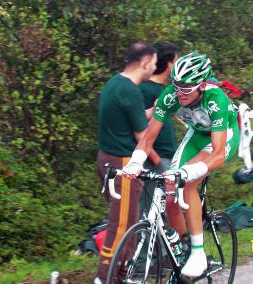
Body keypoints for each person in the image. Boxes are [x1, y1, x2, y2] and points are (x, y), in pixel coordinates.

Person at [123, 52, 240, 277]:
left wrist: (189, 171)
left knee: (186, 184)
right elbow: (147, 139)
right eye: (176, 85)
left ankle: (198, 253)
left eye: (186, 88)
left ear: (203, 85)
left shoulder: (216, 99)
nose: (180, 92)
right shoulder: (171, 95)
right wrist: (135, 163)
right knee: (169, 193)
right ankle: (184, 248)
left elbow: (217, 155)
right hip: (197, 136)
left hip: (223, 137)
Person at [95, 41, 159, 284]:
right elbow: (142, 138)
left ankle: (120, 276)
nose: (154, 67)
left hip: (107, 159)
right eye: (153, 63)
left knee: (130, 221)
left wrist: (155, 110)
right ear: (144, 63)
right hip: (122, 163)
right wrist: (161, 163)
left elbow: (134, 116)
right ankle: (104, 278)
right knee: (121, 225)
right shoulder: (131, 91)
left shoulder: (116, 83)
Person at [139, 41, 178, 213]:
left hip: (167, 158)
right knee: (150, 211)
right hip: (155, 160)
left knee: (162, 211)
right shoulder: (145, 89)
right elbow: (137, 126)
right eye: (177, 60)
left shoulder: (164, 90)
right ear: (169, 64)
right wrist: (156, 160)